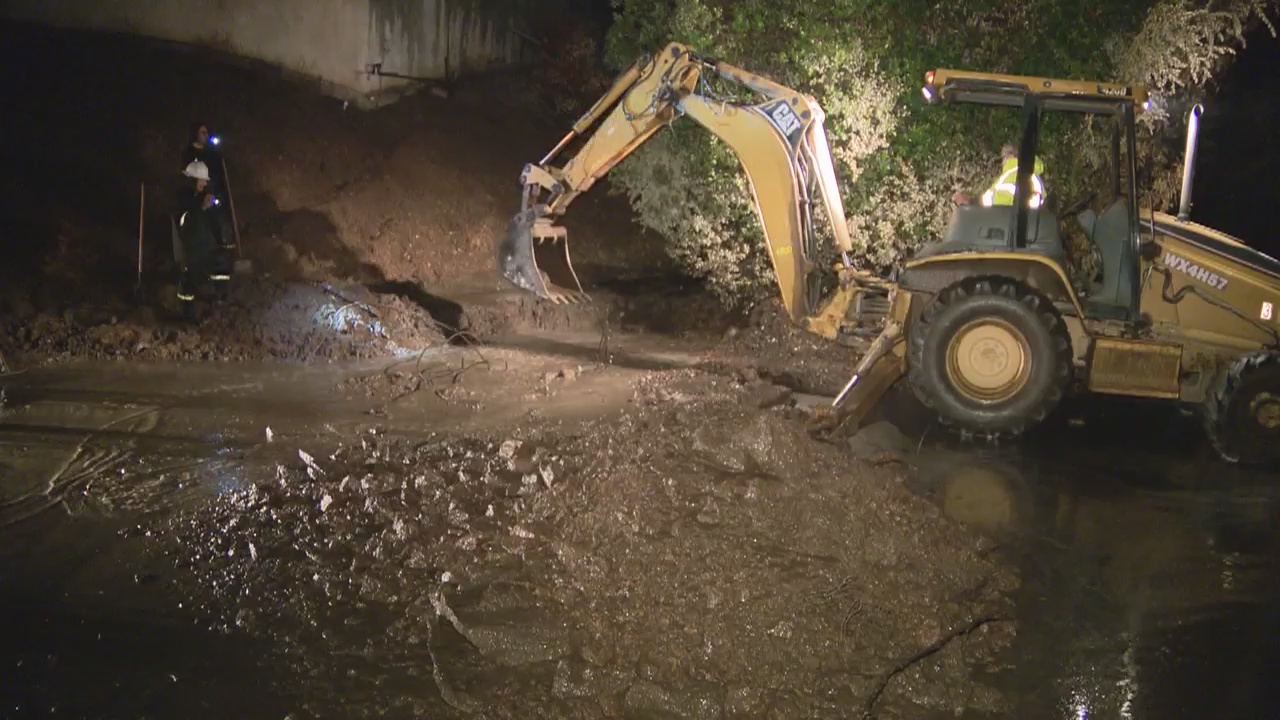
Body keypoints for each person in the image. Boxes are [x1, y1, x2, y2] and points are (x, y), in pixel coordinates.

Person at [175, 160, 232, 318]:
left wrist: (223, 242)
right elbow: (186, 223)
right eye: (202, 179)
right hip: (189, 250)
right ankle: (186, 311)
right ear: (192, 180)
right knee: (189, 279)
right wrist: (201, 208)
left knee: (222, 262)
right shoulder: (184, 199)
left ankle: (218, 299)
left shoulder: (202, 197)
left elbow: (213, 222)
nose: (205, 182)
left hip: (204, 247)